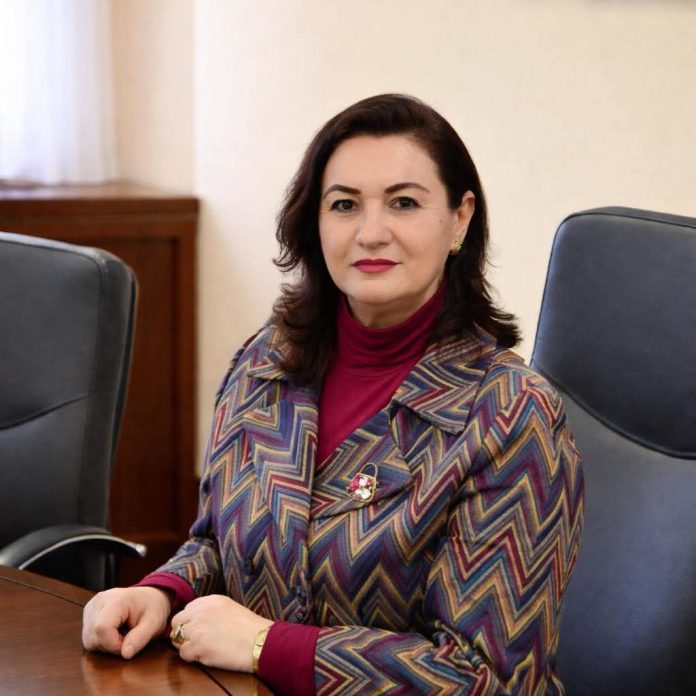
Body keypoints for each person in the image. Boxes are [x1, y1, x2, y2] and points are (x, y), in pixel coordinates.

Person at [82, 94, 584, 695]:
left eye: (403, 203)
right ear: (315, 222)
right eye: (344, 204)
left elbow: (486, 678)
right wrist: (164, 592)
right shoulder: (265, 362)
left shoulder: (510, 412)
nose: (370, 233)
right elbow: (217, 543)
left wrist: (268, 646)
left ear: (459, 218)